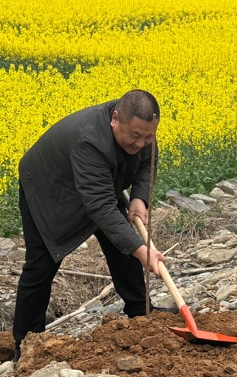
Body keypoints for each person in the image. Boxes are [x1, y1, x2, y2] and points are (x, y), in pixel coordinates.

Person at [14, 90, 169, 358]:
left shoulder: (141, 131)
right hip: (49, 189)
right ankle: (27, 342)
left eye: (148, 136)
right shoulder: (89, 141)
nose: (141, 143)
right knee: (42, 264)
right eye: (135, 136)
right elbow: (100, 207)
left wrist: (140, 199)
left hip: (96, 185)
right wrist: (144, 252)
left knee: (123, 247)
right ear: (115, 119)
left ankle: (141, 311)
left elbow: (147, 162)